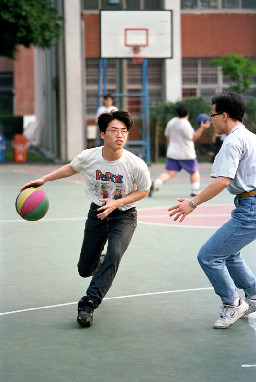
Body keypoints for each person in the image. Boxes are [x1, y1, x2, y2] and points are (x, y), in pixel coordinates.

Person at [20, 111, 151, 327]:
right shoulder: (90, 157)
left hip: (124, 215)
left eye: (124, 132)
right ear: (102, 134)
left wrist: (117, 203)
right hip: (97, 213)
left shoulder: (136, 165)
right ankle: (101, 264)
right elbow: (70, 168)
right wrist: (44, 179)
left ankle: (89, 303)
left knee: (114, 254)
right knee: (84, 269)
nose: (120, 136)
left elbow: (144, 191)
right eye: (114, 131)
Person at [168, 92, 256, 329]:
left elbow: (221, 181)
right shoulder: (250, 137)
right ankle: (254, 293)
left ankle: (233, 304)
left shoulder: (233, 141)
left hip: (250, 207)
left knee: (209, 256)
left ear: (224, 115)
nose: (211, 120)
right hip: (249, 204)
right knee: (229, 252)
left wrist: (192, 203)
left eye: (213, 115)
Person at [149, 104, 210, 198]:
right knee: (194, 172)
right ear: (188, 113)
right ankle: (195, 190)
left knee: (169, 173)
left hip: (172, 153)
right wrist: (202, 128)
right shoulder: (185, 124)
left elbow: (168, 137)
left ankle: (156, 184)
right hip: (187, 154)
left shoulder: (171, 122)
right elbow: (193, 138)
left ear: (177, 113)